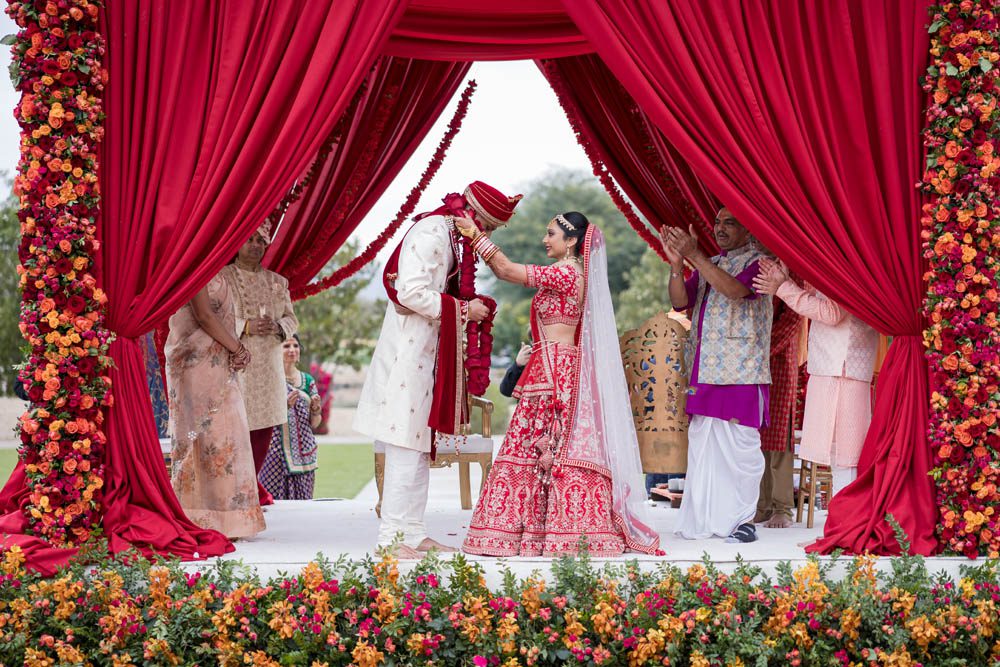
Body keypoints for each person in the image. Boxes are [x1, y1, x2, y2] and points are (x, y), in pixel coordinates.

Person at [458, 212, 661, 557]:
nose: (544, 240)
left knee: (546, 446)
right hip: (549, 367)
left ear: (570, 242)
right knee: (534, 447)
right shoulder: (566, 273)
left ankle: (559, 532)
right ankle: (535, 532)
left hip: (557, 373)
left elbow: (507, 270)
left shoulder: (567, 273)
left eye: (550, 234)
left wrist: (476, 236)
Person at [354, 181, 522, 559]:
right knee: (404, 443)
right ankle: (391, 539)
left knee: (418, 445)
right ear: (474, 217)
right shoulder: (433, 233)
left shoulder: (448, 235)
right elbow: (409, 292)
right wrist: (465, 310)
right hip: (408, 353)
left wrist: (466, 304)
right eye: (489, 226)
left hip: (427, 353)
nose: (488, 235)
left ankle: (411, 533)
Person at [662, 207, 772, 544]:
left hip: (741, 370)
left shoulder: (762, 263)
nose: (720, 229)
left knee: (741, 452)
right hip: (706, 369)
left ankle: (742, 521)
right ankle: (704, 519)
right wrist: (678, 265)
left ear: (748, 229)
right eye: (717, 222)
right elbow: (681, 301)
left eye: (730, 223)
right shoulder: (713, 262)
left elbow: (734, 292)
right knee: (703, 448)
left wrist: (694, 255)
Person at [753, 259, 878, 495]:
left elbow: (831, 312)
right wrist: (787, 280)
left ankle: (848, 523)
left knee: (848, 457)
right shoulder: (838, 263)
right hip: (830, 365)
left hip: (843, 366)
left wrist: (783, 287)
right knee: (834, 455)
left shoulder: (848, 265)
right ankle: (841, 521)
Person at [165, 273, 265, 539]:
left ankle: (228, 519)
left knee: (226, 436)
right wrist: (238, 348)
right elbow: (204, 315)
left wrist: (233, 351)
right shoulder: (196, 264)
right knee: (203, 437)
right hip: (192, 362)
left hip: (218, 362)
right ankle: (197, 516)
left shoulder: (221, 269)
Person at [221, 221, 299, 506]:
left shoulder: (278, 282)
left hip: (268, 365)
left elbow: (292, 319)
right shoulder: (223, 278)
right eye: (249, 240)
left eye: (260, 241)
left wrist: (279, 327)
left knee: (263, 426)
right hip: (236, 361)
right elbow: (212, 317)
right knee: (235, 426)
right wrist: (246, 326)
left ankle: (250, 487)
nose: (254, 246)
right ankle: (239, 491)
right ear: (238, 244)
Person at [755, 296, 802, 529]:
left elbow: (793, 318)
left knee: (779, 433)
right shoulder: (753, 261)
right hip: (748, 359)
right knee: (754, 433)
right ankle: (761, 505)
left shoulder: (792, 269)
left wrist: (760, 349)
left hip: (778, 358)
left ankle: (782, 507)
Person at [260, 335, 320, 500]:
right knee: (272, 503)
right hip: (274, 453)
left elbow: (314, 424)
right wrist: (284, 406)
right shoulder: (268, 380)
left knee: (304, 504)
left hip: (304, 455)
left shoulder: (307, 381)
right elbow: (261, 416)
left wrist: (315, 410)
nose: (292, 350)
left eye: (295, 346)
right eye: (286, 346)